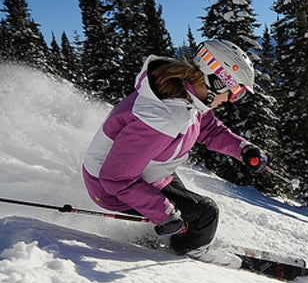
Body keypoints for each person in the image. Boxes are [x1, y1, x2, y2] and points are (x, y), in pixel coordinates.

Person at [82, 39, 270, 260]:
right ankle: (188, 255)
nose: (232, 100)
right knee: (205, 214)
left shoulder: (185, 91)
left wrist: (243, 148)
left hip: (149, 172)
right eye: (235, 92)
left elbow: (208, 128)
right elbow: (115, 178)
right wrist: (163, 213)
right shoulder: (162, 118)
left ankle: (175, 239)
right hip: (109, 189)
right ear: (218, 82)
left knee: (192, 209)